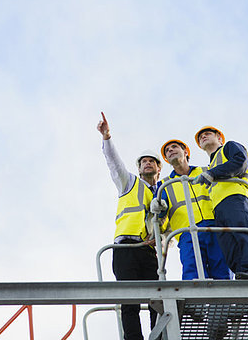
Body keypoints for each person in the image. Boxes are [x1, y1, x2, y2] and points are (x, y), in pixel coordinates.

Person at [97, 112, 160, 340]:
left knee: (158, 299)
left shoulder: (164, 191)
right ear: (139, 168)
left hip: (150, 251)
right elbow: (114, 163)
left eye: (151, 161)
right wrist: (107, 137)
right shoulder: (129, 183)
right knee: (129, 301)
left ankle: (159, 335)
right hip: (125, 248)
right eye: (143, 162)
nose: (147, 163)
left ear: (158, 168)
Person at [192, 126, 248, 280]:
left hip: (236, 198)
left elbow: (240, 162)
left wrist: (213, 173)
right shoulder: (211, 165)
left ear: (220, 138)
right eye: (200, 137)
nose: (203, 137)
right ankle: (241, 274)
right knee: (228, 244)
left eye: (208, 134)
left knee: (243, 234)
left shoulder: (229, 147)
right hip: (219, 208)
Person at [155, 139, 231, 280]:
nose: (170, 150)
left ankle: (224, 302)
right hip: (186, 233)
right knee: (193, 275)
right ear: (166, 159)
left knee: (223, 272)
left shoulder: (207, 171)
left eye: (174, 147)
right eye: (167, 151)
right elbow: (160, 211)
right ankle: (198, 303)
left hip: (215, 227)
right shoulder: (164, 184)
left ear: (185, 152)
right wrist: (157, 205)